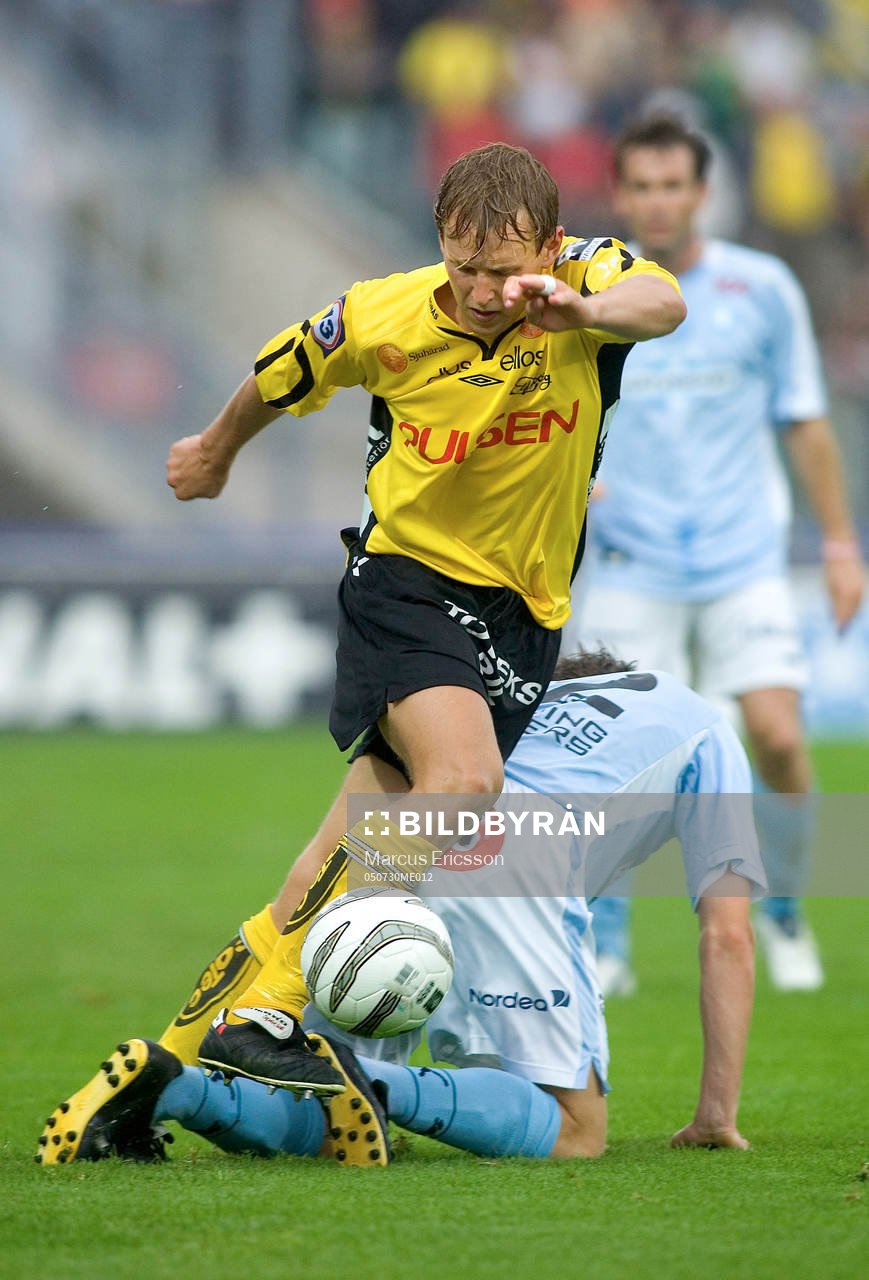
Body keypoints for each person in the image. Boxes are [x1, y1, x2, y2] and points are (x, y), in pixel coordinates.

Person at [164, 142, 685, 1090]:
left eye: (506, 268)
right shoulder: (380, 313)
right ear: (439, 243)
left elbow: (666, 302)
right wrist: (213, 449)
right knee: (463, 781)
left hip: (523, 608)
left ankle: (207, 1042)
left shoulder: (586, 283)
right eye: (465, 266)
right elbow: (279, 374)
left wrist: (585, 310)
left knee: (358, 832)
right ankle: (286, 1005)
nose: (485, 291)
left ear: (552, 244)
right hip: (404, 582)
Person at [38, 650, 762, 1167]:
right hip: (516, 848)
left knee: (321, 1113)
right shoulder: (702, 725)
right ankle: (373, 1082)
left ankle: (179, 1090)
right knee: (571, 1130)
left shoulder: (509, 704)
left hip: (403, 827)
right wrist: (714, 1116)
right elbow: (726, 934)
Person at [562, 115, 866, 995]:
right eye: (641, 187)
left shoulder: (761, 288)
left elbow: (803, 422)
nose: (657, 201)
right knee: (617, 761)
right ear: (619, 196)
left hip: (741, 558)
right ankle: (608, 942)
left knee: (775, 736)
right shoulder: (590, 293)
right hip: (630, 561)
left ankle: (784, 912)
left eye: (673, 185)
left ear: (700, 193)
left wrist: (840, 544)